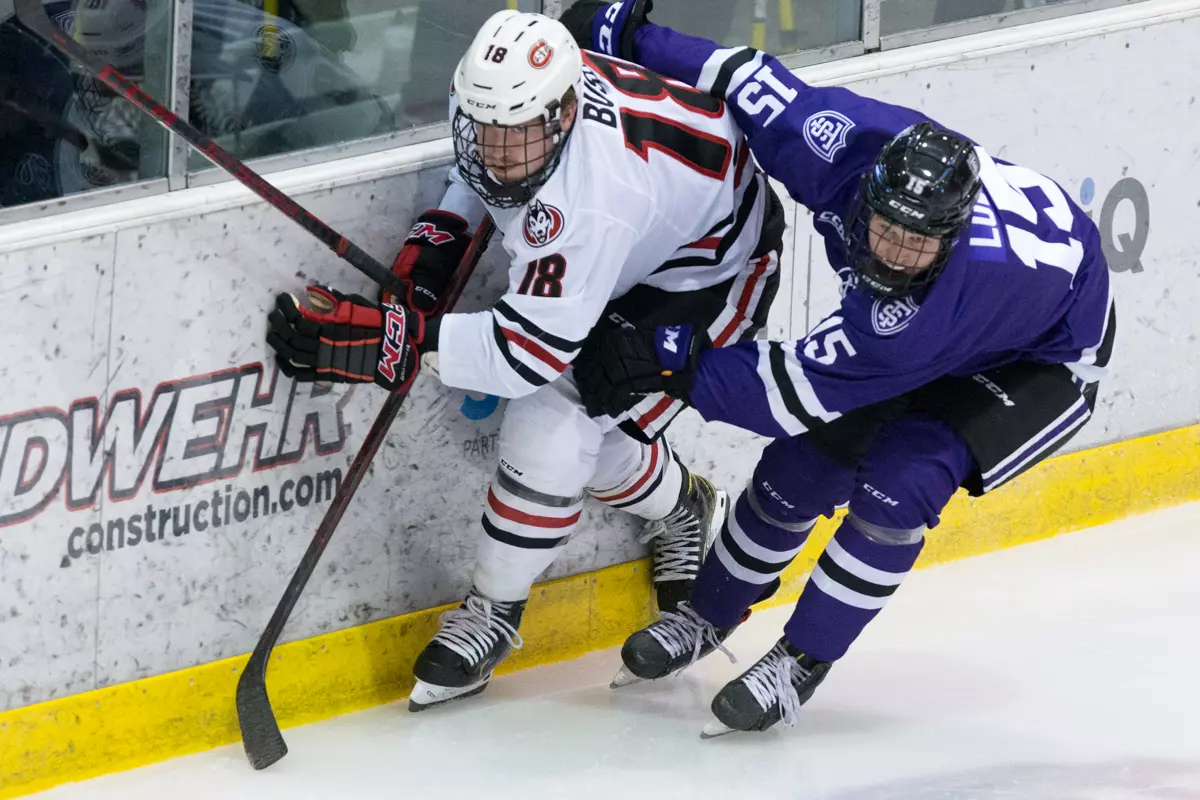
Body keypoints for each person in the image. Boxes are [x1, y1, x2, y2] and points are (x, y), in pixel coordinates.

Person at [561, 1, 1116, 737]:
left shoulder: (920, 316)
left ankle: (801, 659)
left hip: (1043, 357)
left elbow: (789, 394)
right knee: (796, 472)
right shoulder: (841, 145)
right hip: (983, 314)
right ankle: (707, 614)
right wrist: (624, 32)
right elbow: (744, 76)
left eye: (918, 244)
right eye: (885, 228)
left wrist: (674, 367)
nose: (893, 255)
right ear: (869, 192)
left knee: (898, 484)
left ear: (951, 237)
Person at [266, 10, 786, 711]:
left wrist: (392, 344)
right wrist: (438, 241)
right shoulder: (508, 104)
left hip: (711, 275)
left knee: (553, 424)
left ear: (566, 114)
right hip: (649, 237)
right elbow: (477, 171)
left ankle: (494, 610)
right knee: (591, 439)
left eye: (517, 134)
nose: (500, 150)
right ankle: (684, 507)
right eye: (486, 128)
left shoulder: (592, 198)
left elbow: (525, 357)